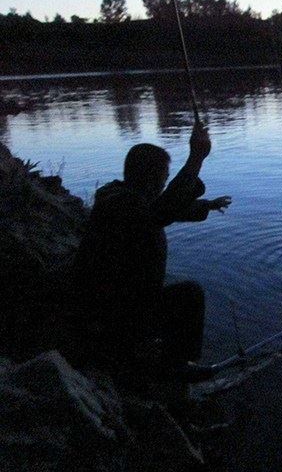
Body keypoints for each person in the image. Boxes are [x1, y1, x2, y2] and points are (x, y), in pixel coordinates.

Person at [71, 122, 231, 385]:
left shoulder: (120, 196)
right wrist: (196, 157)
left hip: (116, 302)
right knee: (189, 296)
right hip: (109, 312)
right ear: (149, 177)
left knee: (175, 291)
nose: (165, 182)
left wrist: (206, 205)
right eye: (164, 177)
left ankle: (144, 347)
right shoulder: (122, 204)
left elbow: (163, 209)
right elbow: (161, 210)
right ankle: (173, 368)